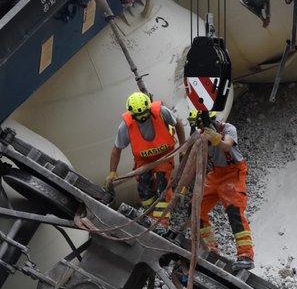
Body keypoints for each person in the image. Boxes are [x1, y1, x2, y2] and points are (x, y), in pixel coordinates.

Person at [108, 91, 186, 230]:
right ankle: (149, 214)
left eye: (145, 114)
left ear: (149, 107)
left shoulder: (162, 112)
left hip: (164, 155)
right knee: (144, 184)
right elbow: (116, 150)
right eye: (139, 116)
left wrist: (183, 147)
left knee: (163, 182)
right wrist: (113, 172)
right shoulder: (125, 126)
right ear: (132, 114)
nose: (143, 118)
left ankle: (162, 221)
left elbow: (178, 124)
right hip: (143, 160)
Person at [189, 109, 255, 270]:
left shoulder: (228, 129)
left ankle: (246, 255)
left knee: (234, 211)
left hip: (233, 173)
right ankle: (210, 248)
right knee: (195, 207)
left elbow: (226, 146)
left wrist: (214, 137)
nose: (199, 129)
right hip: (216, 173)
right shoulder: (201, 135)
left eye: (201, 125)